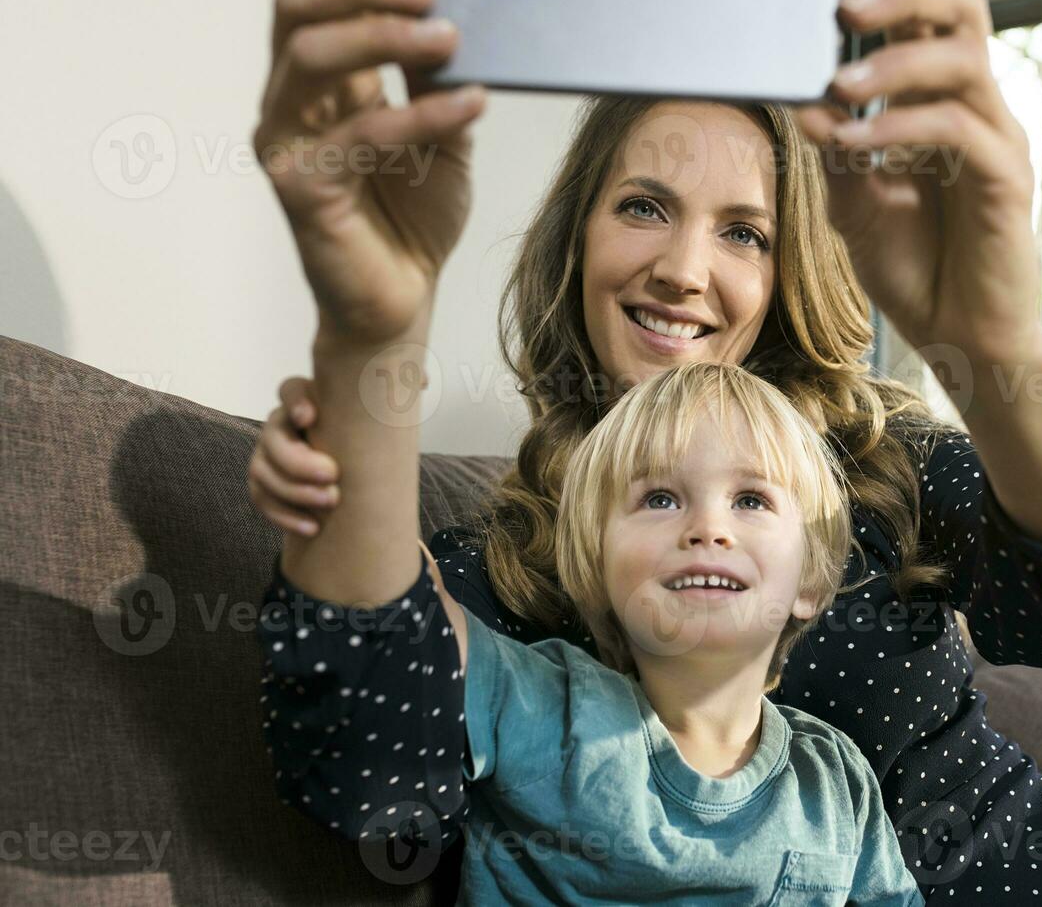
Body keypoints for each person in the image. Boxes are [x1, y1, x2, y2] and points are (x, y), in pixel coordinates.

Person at [250, 0, 1042, 902]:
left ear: (785, 272)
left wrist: (995, 346)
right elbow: (374, 781)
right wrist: (370, 339)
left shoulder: (879, 465)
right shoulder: (503, 565)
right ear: (574, 242)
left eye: (744, 231)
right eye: (643, 208)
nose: (683, 267)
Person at [267, 360, 923, 903]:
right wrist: (347, 478)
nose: (707, 529)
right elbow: (401, 628)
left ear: (810, 581)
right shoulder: (549, 706)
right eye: (660, 499)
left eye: (751, 500)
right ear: (596, 569)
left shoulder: (838, 781)